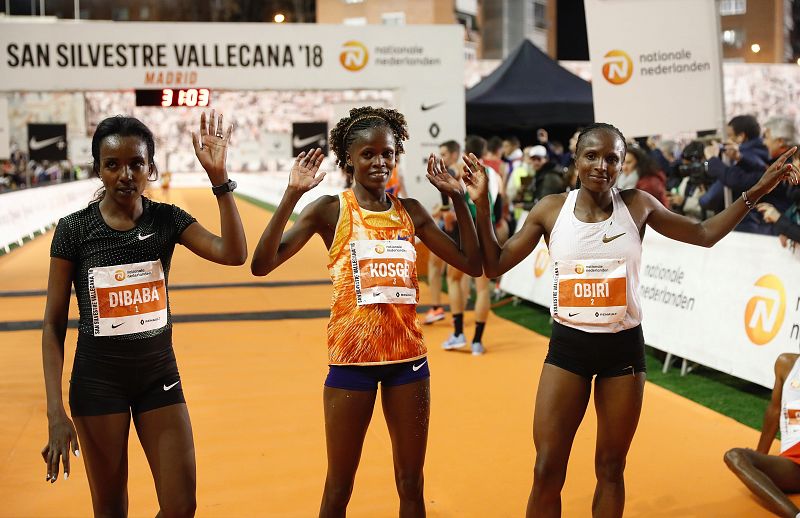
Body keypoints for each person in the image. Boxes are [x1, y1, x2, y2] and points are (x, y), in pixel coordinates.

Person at [462, 122, 799, 518]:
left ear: (623, 164)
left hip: (622, 353)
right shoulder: (551, 209)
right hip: (568, 349)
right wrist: (481, 207)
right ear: (576, 159)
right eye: (592, 156)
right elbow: (495, 263)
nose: (601, 166)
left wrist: (757, 190)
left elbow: (705, 233)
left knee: (610, 467)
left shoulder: (638, 204)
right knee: (546, 468)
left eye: (612, 159)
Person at [250, 106, 481, 517]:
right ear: (349, 160)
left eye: (388, 153)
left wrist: (458, 198)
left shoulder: (410, 211)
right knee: (339, 487)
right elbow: (262, 264)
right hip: (351, 362)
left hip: (407, 362)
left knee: (411, 483)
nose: (380, 162)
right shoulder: (329, 210)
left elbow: (472, 263)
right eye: (368, 154)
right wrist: (291, 195)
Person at [41, 112, 247, 516]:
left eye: (136, 163)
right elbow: (52, 325)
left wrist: (219, 180)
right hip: (98, 385)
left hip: (159, 380)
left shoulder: (166, 219)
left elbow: (234, 254)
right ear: (98, 169)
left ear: (150, 167)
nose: (125, 174)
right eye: (112, 164)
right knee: (112, 509)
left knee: (181, 507)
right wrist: (55, 412)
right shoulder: (74, 229)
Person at [724, 352, 800, 518]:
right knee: (735, 456)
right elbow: (775, 410)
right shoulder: (787, 364)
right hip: (793, 464)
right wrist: (760, 455)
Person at [442, 135, 497, 356]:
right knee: (483, 287)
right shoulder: (492, 172)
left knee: (453, 279)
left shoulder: (458, 169)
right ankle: (476, 341)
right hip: (487, 228)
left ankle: (458, 333)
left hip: (465, 231)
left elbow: (453, 202)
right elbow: (499, 201)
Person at [423, 139, 461, 325]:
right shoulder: (464, 170)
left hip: (452, 226)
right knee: (455, 273)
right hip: (463, 226)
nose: (442, 158)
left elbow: (449, 196)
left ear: (454, 154)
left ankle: (439, 308)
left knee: (439, 268)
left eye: (445, 154)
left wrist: (444, 209)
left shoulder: (453, 170)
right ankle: (456, 315)